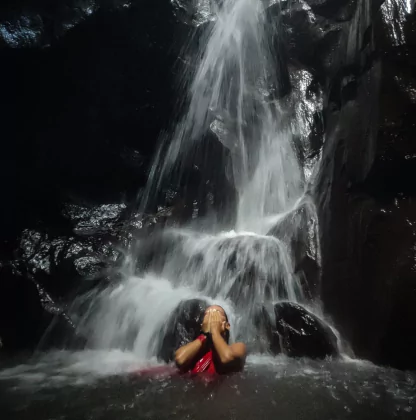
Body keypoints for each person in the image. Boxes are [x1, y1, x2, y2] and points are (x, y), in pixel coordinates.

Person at [174, 305, 246, 374]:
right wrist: (204, 335)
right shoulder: (195, 352)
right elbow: (180, 360)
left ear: (227, 325)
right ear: (202, 325)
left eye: (216, 313)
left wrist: (215, 330)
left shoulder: (238, 347)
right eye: (208, 315)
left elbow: (226, 358)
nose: (212, 318)